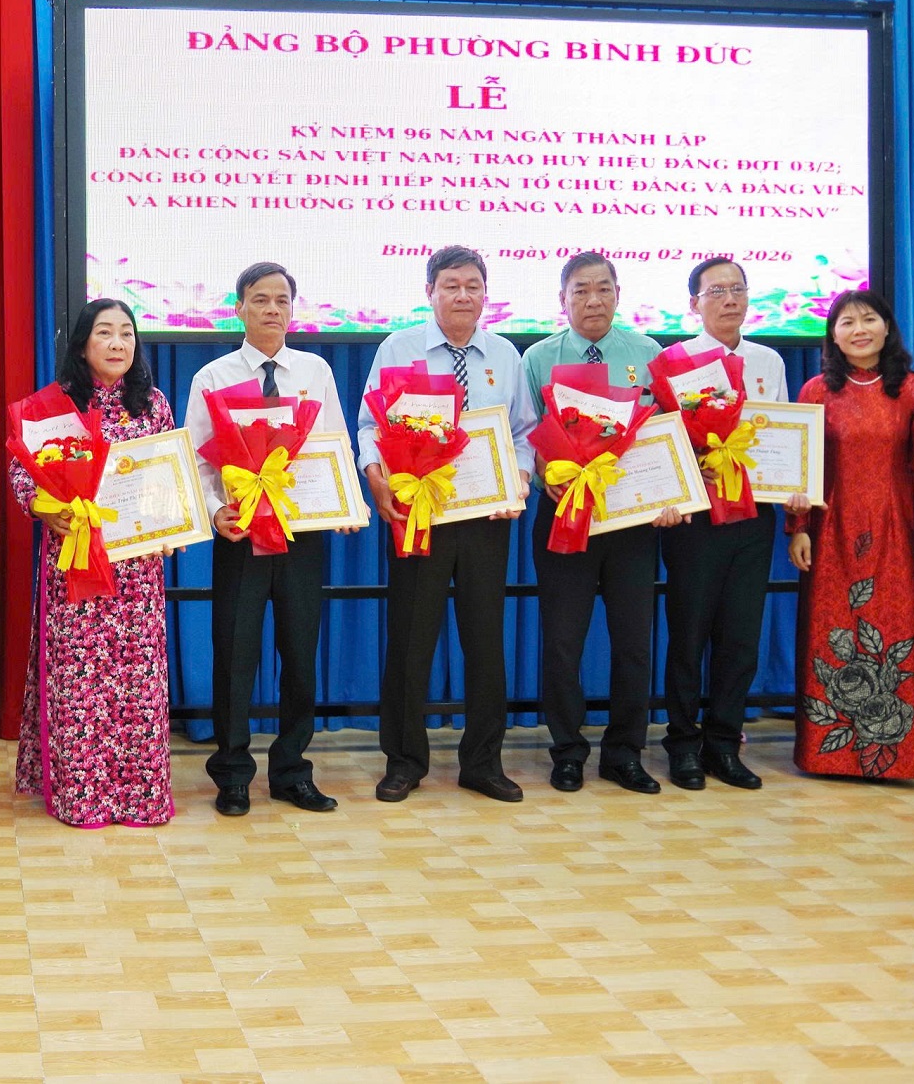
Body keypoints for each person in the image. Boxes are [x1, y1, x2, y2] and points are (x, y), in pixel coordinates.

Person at [359, 246, 534, 804]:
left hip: (487, 517)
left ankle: (483, 763)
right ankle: (404, 761)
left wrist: (519, 479)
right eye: (451, 285)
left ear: (485, 294)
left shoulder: (505, 355)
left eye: (473, 285)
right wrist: (375, 477)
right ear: (429, 292)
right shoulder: (399, 348)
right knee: (411, 640)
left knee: (485, 641)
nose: (463, 295)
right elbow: (370, 425)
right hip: (420, 513)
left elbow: (523, 433)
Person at [183, 262, 352, 817]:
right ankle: (232, 774)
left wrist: (344, 504)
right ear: (239, 308)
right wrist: (216, 513)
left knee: (300, 653)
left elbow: (334, 444)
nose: (272, 309)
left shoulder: (315, 370)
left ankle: (291, 771)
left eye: (282, 299)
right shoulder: (213, 377)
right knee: (235, 655)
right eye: (260, 299)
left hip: (301, 533)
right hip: (241, 533)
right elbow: (198, 461)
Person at [521, 251, 683, 796]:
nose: (593, 300)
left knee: (634, 641)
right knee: (562, 642)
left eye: (603, 289)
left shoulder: (648, 353)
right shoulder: (538, 358)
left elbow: (668, 431)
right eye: (581, 291)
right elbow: (524, 434)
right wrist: (543, 474)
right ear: (562, 299)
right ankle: (567, 751)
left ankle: (624, 753)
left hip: (632, 519)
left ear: (618, 294)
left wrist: (670, 492)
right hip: (566, 514)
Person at [11, 298, 176, 827]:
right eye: (105, 332)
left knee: (136, 680)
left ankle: (138, 795)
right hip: (75, 560)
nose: (117, 343)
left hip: (136, 566)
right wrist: (46, 509)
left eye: (126, 333)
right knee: (79, 682)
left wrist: (171, 524)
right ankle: (82, 794)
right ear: (82, 344)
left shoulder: (153, 404)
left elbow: (167, 476)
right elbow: (22, 474)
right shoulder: (53, 405)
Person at [788, 289, 914, 779]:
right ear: (833, 336)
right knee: (832, 632)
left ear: (886, 327)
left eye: (869, 319)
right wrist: (797, 528)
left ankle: (899, 758)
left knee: (893, 630)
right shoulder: (816, 391)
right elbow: (801, 468)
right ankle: (828, 755)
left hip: (894, 528)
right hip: (831, 529)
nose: (859, 330)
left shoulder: (913, 390)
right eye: (847, 322)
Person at [660, 257, 801, 790]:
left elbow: (782, 434)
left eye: (737, 289)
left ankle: (724, 745)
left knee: (741, 636)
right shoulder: (675, 362)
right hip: (696, 517)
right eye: (716, 291)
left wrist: (794, 482)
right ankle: (682, 745)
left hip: (753, 515)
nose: (729, 299)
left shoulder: (768, 360)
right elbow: (660, 439)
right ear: (693, 303)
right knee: (688, 635)